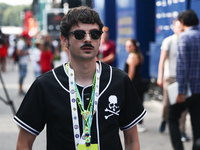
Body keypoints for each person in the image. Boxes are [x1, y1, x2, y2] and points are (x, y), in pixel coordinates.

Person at [14, 6, 146, 150]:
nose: (88, 39)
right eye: (79, 34)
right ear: (64, 40)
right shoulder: (45, 85)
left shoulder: (119, 80)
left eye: (95, 34)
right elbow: (24, 143)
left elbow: (132, 140)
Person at [168, 10, 200, 150]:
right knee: (197, 124)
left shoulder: (184, 37)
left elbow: (182, 66)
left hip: (187, 90)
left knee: (172, 118)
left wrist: (180, 91)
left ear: (182, 22)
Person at [157, 19, 190, 141]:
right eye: (178, 27)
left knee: (183, 106)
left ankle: (182, 131)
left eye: (182, 27)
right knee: (167, 104)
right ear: (174, 28)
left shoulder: (187, 41)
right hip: (170, 78)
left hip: (184, 78)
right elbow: (162, 60)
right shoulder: (168, 41)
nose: (180, 29)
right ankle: (164, 119)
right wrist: (160, 76)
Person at [124, 39, 146, 133]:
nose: (127, 48)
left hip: (134, 84)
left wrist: (127, 84)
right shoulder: (138, 55)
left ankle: (138, 123)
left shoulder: (132, 56)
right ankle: (139, 122)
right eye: (126, 46)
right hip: (138, 82)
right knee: (138, 102)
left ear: (134, 46)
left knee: (134, 103)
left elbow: (131, 72)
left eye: (129, 46)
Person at [16, 31, 30, 96]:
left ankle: (21, 89)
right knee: (22, 76)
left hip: (23, 62)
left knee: (22, 76)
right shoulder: (21, 43)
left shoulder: (22, 42)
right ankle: (20, 90)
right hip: (22, 62)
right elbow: (18, 52)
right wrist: (26, 53)